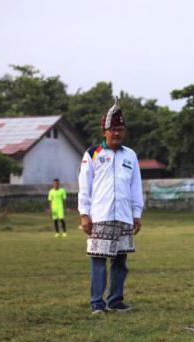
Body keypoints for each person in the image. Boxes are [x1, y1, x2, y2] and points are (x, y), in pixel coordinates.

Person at [78, 98, 144, 314]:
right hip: (100, 216)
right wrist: (84, 214)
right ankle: (97, 303)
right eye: (113, 129)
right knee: (98, 261)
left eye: (120, 130)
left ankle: (115, 301)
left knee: (120, 261)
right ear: (104, 131)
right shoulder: (92, 154)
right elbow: (84, 186)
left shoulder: (130, 155)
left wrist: (136, 213)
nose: (117, 134)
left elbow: (136, 186)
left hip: (124, 216)